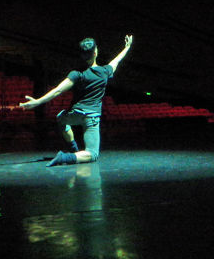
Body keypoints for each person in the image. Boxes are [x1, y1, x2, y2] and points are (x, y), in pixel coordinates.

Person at [20, 35, 133, 166]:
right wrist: (127, 47)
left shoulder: (77, 74)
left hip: (75, 115)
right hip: (91, 118)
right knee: (92, 154)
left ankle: (74, 148)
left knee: (61, 118)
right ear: (95, 52)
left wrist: (38, 101)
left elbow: (58, 90)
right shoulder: (104, 71)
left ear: (82, 55)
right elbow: (116, 61)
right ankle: (64, 157)